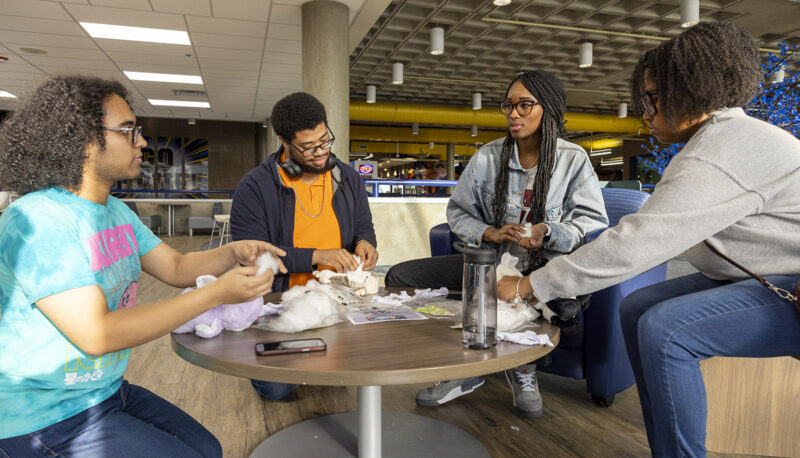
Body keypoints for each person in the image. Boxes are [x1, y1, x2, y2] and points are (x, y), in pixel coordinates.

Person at [498, 22, 800, 456]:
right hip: (756, 274)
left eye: (653, 97)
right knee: (639, 306)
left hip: (791, 284)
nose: (646, 110)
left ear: (694, 91)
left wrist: (528, 286)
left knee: (667, 330)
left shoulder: (723, 150)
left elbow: (634, 243)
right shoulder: (716, 140)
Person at [0, 76, 286, 457]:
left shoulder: (115, 211)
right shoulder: (38, 220)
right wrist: (216, 293)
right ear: (84, 139)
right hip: (44, 418)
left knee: (208, 449)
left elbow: (177, 266)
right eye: (129, 131)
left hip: (106, 391)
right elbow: (98, 334)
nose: (142, 142)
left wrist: (233, 252)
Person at [385, 70, 608, 417]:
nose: (513, 114)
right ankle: (462, 367)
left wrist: (547, 231)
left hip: (542, 267)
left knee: (534, 292)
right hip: (489, 260)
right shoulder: (488, 157)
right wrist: (489, 233)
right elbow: (457, 212)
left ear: (547, 108)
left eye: (524, 105)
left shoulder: (572, 160)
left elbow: (591, 222)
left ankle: (521, 370)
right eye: (508, 105)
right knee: (400, 277)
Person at [230, 92, 378, 400]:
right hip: (281, 305)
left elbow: (364, 225)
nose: (321, 152)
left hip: (341, 300)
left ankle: (325, 355)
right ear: (284, 141)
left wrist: (365, 242)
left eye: (325, 141)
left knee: (374, 361)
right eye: (309, 147)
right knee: (277, 388)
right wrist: (316, 256)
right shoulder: (255, 187)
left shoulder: (348, 179)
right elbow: (254, 257)